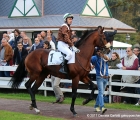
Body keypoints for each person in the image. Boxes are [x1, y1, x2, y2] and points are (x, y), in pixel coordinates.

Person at [91, 47, 109, 114]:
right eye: (98, 51)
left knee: (100, 93)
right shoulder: (94, 58)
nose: (100, 52)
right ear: (96, 52)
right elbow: (89, 61)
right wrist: (92, 66)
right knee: (101, 92)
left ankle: (96, 106)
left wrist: (103, 55)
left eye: (101, 51)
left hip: (106, 77)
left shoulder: (105, 57)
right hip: (100, 77)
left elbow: (108, 59)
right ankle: (102, 107)